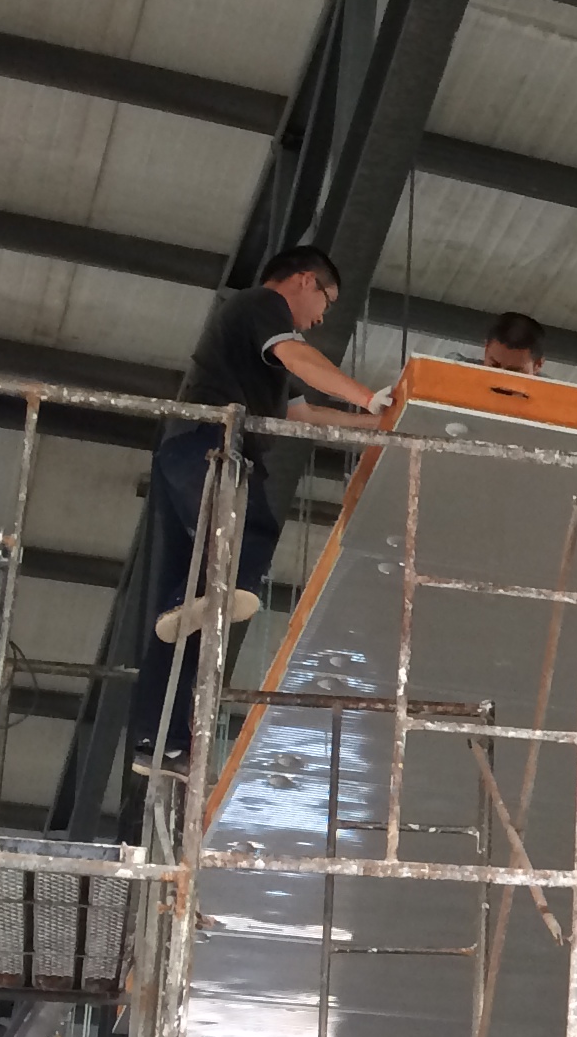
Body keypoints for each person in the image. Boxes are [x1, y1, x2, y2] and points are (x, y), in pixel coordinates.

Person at [133, 245, 396, 759]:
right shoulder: (263, 305)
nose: (320, 317)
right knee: (252, 528)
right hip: (209, 445)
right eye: (326, 301)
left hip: (183, 452)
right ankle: (213, 593)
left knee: (182, 613)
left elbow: (302, 414)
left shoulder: (253, 346)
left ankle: (160, 741)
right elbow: (298, 357)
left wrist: (375, 425)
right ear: (304, 280)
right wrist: (368, 397)